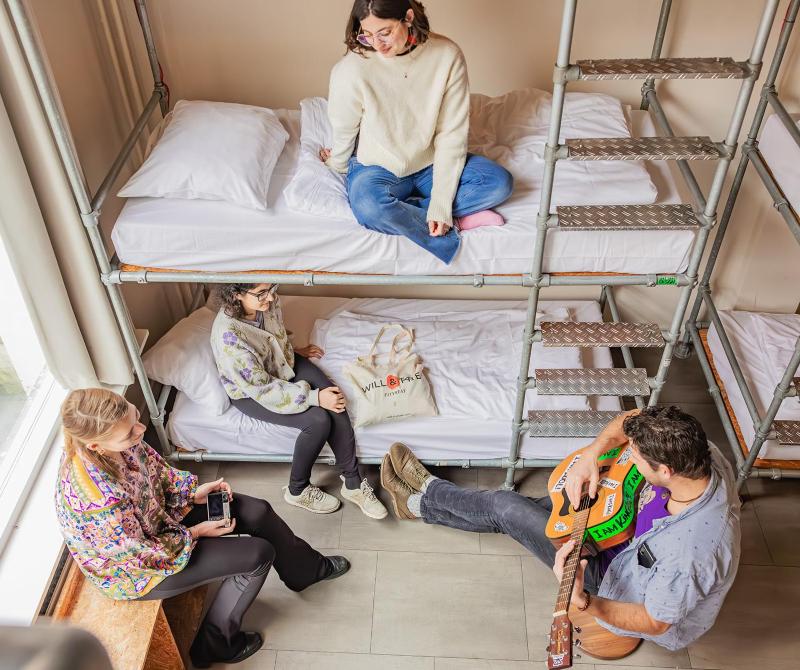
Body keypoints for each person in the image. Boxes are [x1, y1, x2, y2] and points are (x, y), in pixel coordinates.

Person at [380, 406, 741, 651]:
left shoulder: (691, 555)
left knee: (506, 506)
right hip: (614, 524)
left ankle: (428, 490)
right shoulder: (696, 450)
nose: (629, 455)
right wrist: (593, 454)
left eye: (637, 457)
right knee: (518, 515)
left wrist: (587, 602)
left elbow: (656, 620)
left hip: (617, 580)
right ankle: (417, 506)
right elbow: (632, 419)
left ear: (665, 471)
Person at [54, 388, 351, 668]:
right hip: (142, 569)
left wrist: (191, 493)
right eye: (129, 432)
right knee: (258, 555)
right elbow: (143, 554)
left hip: (160, 519)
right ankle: (215, 643)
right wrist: (196, 533)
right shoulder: (96, 498)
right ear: (95, 445)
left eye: (135, 417)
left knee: (257, 511)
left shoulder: (121, 439)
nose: (140, 430)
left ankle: (304, 571)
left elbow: (159, 473)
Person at [320, 0, 514, 264]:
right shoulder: (351, 69)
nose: (377, 44)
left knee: (499, 183)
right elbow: (344, 127)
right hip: (377, 167)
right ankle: (457, 221)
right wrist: (337, 162)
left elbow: (452, 133)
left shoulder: (446, 55)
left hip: (430, 164)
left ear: (408, 17)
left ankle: (428, 216)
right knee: (369, 208)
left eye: (385, 32)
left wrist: (441, 205)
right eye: (367, 35)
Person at [210, 282, 387, 519]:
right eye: (262, 293)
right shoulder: (229, 338)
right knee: (318, 420)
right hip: (254, 392)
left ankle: (353, 483)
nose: (271, 298)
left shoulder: (266, 301)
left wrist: (291, 350)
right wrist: (313, 397)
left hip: (282, 365)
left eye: (272, 289)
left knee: (334, 397)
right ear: (237, 294)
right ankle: (297, 489)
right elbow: (263, 388)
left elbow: (273, 335)